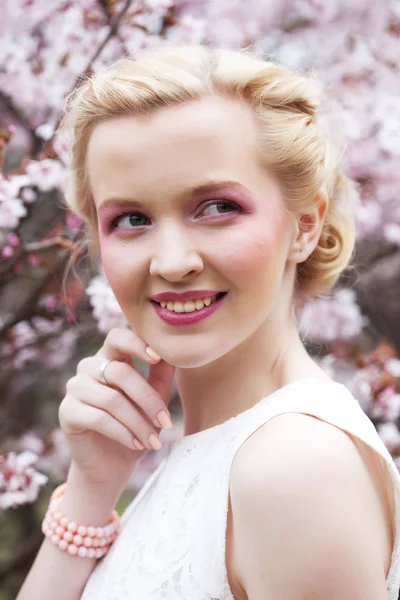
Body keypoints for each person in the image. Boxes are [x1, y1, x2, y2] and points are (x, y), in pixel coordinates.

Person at [17, 44, 400, 600]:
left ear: (305, 227)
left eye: (217, 207)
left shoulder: (295, 466)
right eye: (131, 219)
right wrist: (90, 491)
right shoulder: (217, 452)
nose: (172, 262)